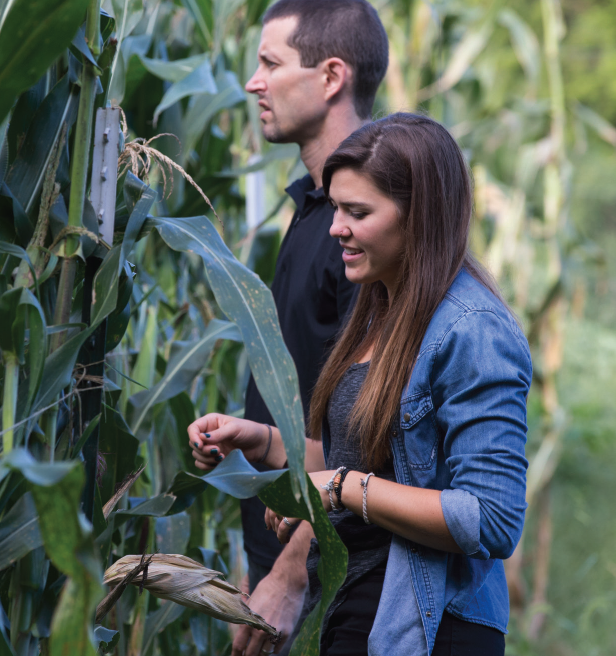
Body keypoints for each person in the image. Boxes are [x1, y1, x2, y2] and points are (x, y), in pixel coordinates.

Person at [188, 114, 530, 655]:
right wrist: (264, 442)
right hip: (356, 610)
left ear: (418, 216)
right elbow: (372, 460)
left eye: (358, 212)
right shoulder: (380, 311)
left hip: (428, 625)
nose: (335, 228)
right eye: (335, 208)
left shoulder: (474, 329)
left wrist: (337, 488)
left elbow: (490, 517)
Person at [232, 0, 389, 656]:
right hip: (284, 550)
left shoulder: (358, 231)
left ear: (329, 77)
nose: (252, 82)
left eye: (270, 63)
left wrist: (294, 572)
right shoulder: (312, 209)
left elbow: (368, 419)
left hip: (330, 572)